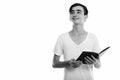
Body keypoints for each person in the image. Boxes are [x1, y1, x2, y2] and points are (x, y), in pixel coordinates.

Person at [52, 3, 101, 80]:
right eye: (72, 12)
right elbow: (54, 64)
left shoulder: (93, 38)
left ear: (85, 16)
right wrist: (68, 63)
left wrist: (96, 63)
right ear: (70, 16)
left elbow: (98, 65)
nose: (74, 14)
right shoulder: (62, 37)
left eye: (78, 12)